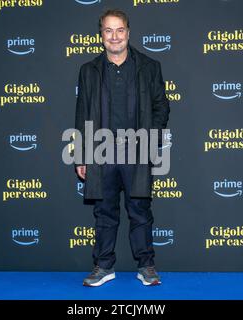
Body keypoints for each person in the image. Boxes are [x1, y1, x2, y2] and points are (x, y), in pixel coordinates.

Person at [74, 8, 170, 287]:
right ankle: (103, 267)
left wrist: (151, 138)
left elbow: (161, 106)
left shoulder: (150, 67)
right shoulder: (88, 71)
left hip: (137, 151)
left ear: (128, 33)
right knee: (104, 212)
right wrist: (81, 155)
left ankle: (146, 266)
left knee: (140, 210)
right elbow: (81, 114)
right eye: (108, 30)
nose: (114, 36)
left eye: (119, 30)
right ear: (101, 35)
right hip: (100, 151)